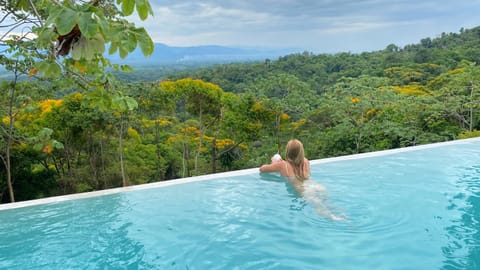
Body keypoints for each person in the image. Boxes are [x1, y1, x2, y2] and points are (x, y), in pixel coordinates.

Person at [260, 139, 344, 221]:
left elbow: (262, 169)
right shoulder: (306, 161)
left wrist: (274, 162)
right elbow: (305, 175)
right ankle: (341, 214)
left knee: (319, 208)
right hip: (316, 186)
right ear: (301, 152)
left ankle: (333, 218)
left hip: (304, 190)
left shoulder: (282, 165)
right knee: (328, 204)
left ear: (287, 152)